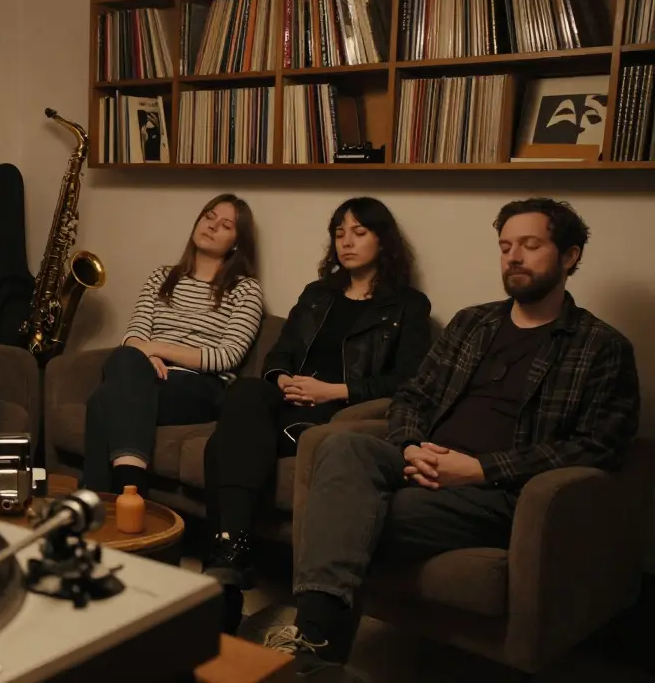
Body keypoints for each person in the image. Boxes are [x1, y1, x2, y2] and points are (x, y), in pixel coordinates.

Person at [267, 199, 639, 679]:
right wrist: (410, 445)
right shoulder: (473, 323)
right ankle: (316, 655)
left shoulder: (601, 346)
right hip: (420, 461)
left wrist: (480, 469)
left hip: (497, 492)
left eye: (530, 245)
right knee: (340, 446)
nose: (513, 257)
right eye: (505, 246)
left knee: (349, 510)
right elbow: (412, 396)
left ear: (570, 256)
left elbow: (598, 445)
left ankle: (312, 647)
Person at [201, 198, 432, 634]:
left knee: (222, 447)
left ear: (383, 241)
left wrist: (334, 390)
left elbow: (409, 380)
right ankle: (231, 558)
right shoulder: (317, 295)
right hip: (287, 401)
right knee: (246, 390)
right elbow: (279, 354)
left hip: (337, 414)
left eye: (359, 232)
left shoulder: (408, 306)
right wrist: (284, 379)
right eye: (339, 233)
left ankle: (224, 582)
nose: (347, 241)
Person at [82, 194, 265, 496]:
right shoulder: (162, 277)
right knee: (123, 362)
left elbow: (227, 356)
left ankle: (107, 496)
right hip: (147, 375)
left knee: (103, 399)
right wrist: (143, 357)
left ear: (236, 243)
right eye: (209, 216)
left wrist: (155, 350)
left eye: (225, 225)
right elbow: (135, 333)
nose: (212, 225)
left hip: (201, 386)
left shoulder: (245, 289)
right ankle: (124, 497)